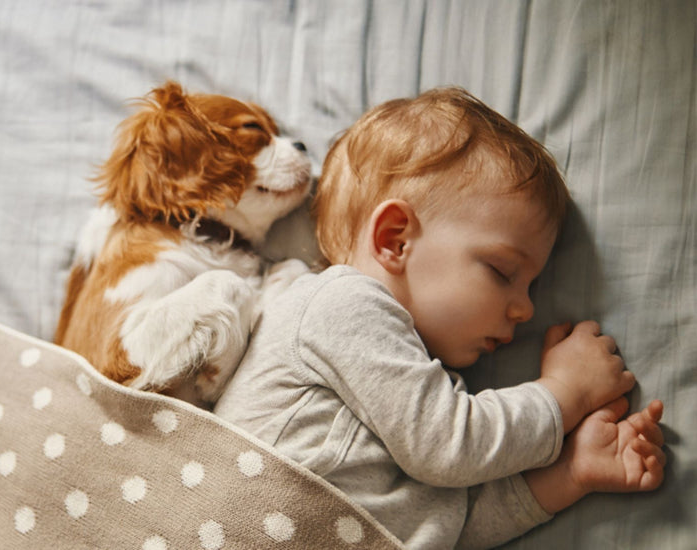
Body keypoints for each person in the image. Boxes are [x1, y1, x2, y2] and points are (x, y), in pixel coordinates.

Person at [213, 87, 666, 549]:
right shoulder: (340, 303)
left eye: (530, 286)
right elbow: (449, 447)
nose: (525, 308)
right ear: (395, 241)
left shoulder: (412, 384)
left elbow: (441, 527)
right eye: (502, 271)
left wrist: (570, 472)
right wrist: (565, 393)